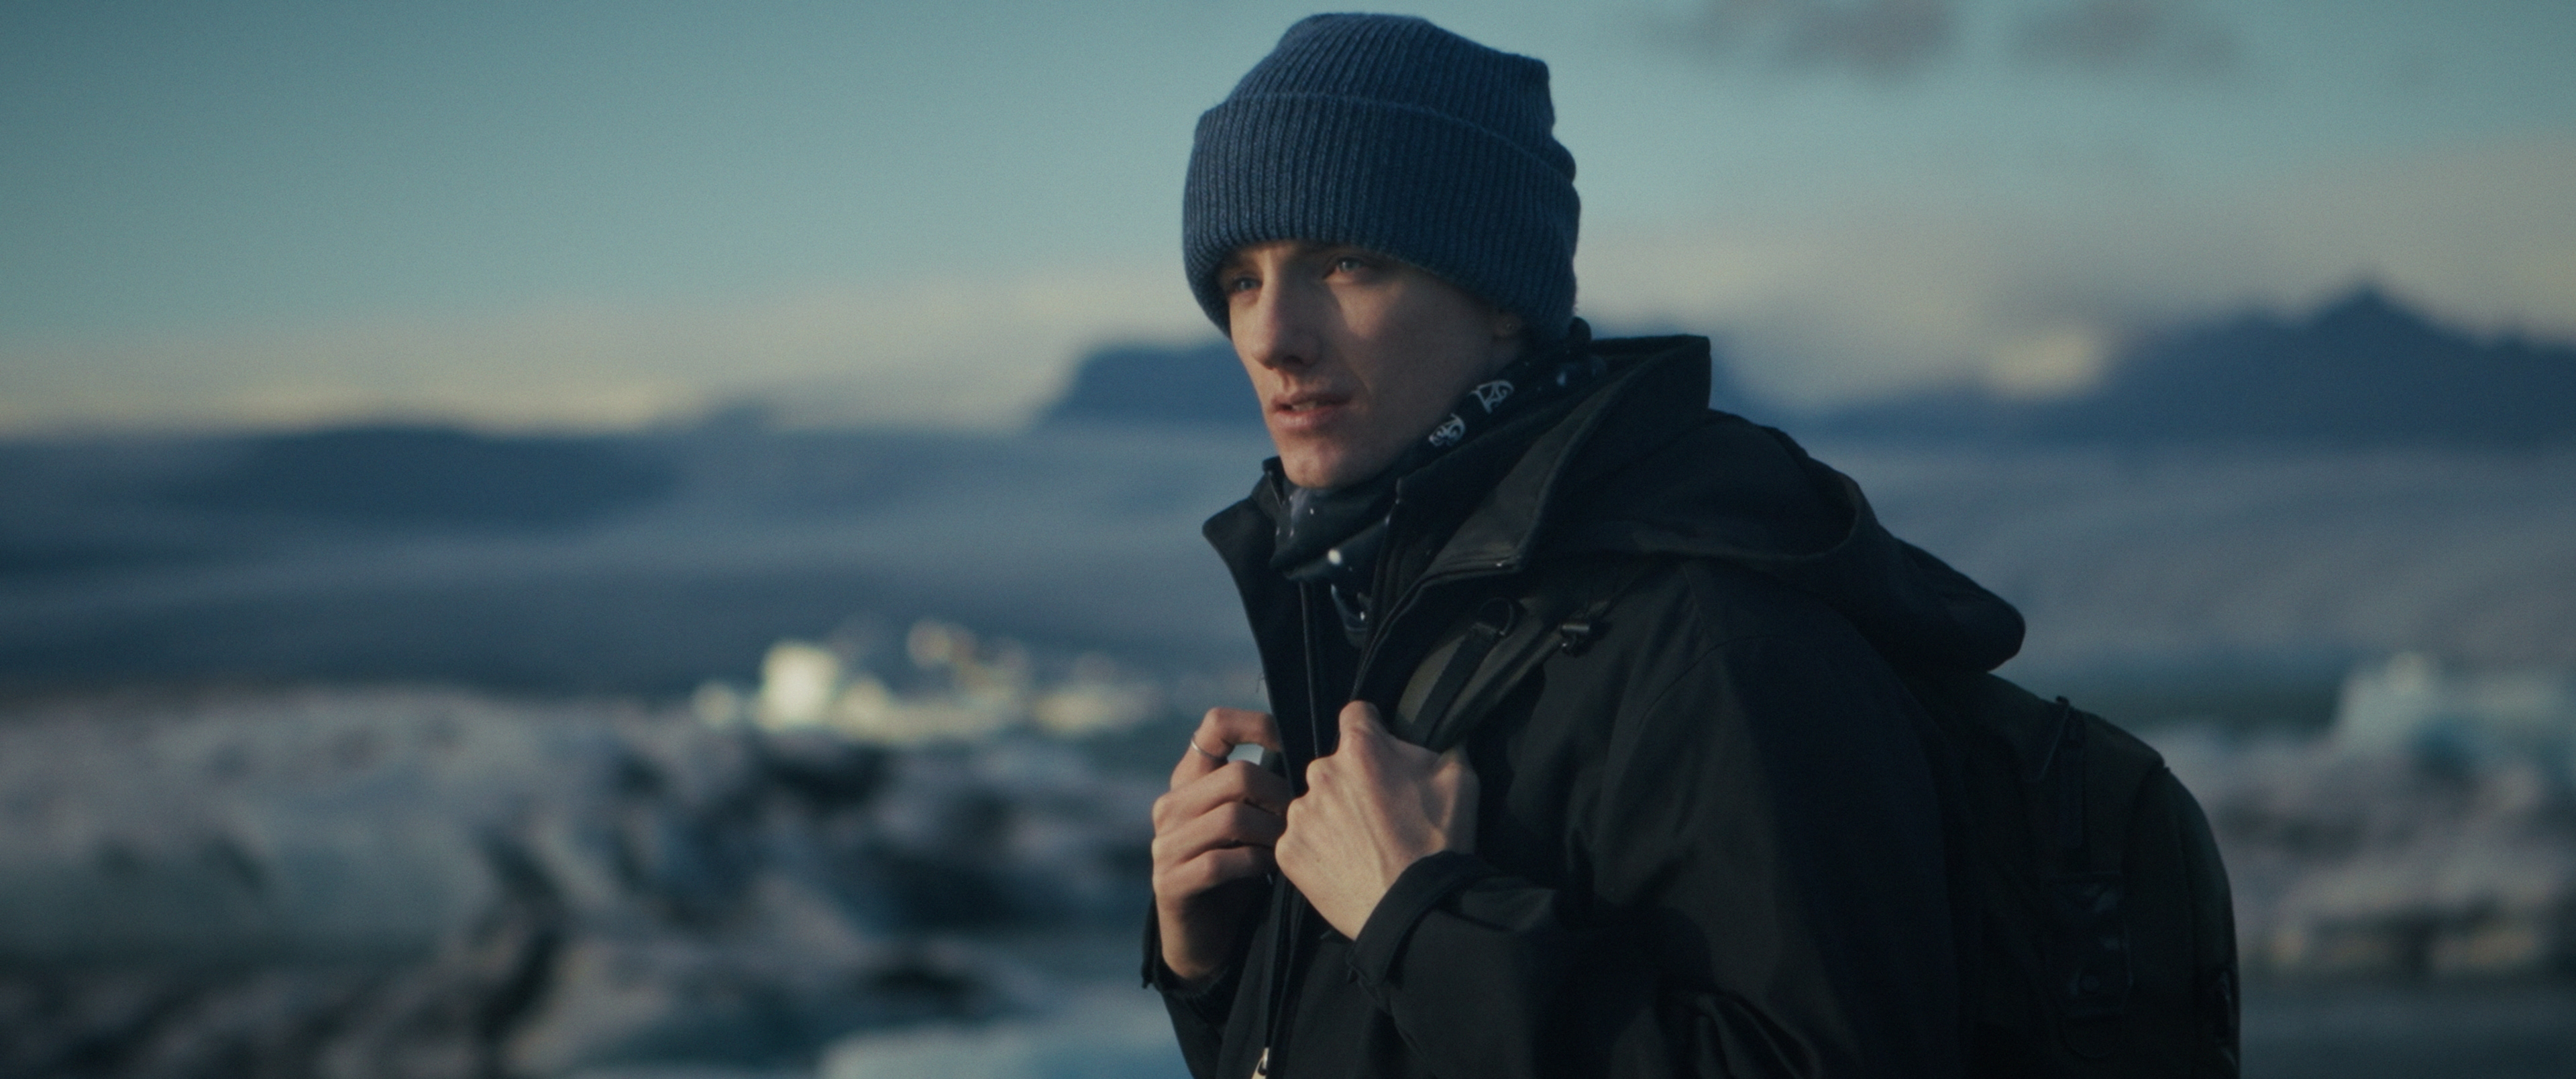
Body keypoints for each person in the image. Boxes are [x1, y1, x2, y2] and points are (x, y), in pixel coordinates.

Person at [1144, 13, 2023, 1078]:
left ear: (1500, 298)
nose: (1271, 334)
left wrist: (1425, 923)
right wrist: (1221, 968)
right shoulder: (1387, 608)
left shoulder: (1715, 641)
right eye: (1241, 279)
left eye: (1345, 260)